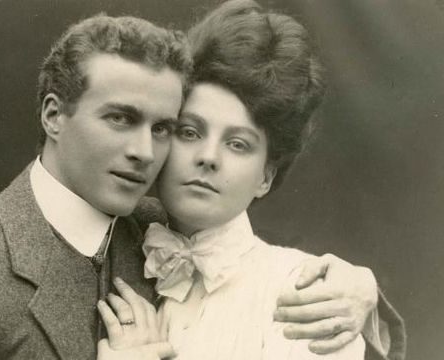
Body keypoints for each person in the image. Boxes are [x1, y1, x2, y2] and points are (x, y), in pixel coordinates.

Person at [0, 9, 402, 360]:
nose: (143, 151)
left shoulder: (162, 234)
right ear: (53, 114)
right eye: (119, 118)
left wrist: (364, 292)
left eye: (162, 128)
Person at [96, 1, 405, 359]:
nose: (208, 157)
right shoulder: (112, 243)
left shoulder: (301, 292)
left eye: (238, 144)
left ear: (265, 177)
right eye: (190, 132)